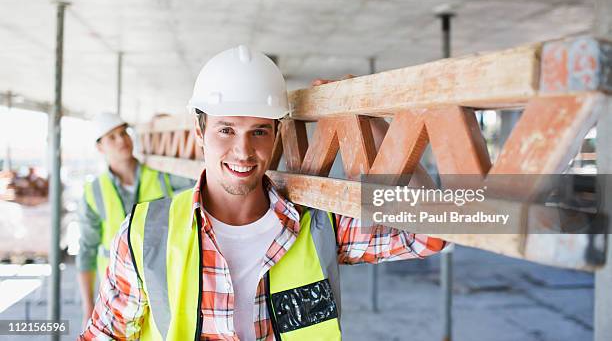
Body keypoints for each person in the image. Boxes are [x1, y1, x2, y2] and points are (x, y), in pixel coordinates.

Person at [80, 46, 446, 340]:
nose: (243, 151)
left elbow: (434, 233)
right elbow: (106, 333)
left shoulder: (319, 226)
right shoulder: (145, 235)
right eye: (226, 131)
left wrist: (374, 124)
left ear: (277, 135)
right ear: (199, 132)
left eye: (259, 131)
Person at [77, 112, 191, 328]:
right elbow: (86, 252)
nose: (122, 140)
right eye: (112, 137)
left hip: (163, 283)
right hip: (116, 289)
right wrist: (88, 308)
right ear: (100, 147)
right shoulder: (94, 192)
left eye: (123, 133)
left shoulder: (161, 175)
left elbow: (202, 178)